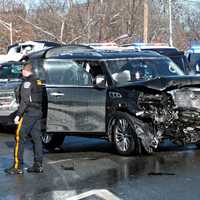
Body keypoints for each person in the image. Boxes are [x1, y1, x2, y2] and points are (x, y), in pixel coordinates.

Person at [5, 61, 44, 175]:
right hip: (38, 112)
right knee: (37, 139)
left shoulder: (27, 83)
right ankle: (38, 165)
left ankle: (17, 166)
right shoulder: (39, 81)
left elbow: (25, 101)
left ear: (26, 71)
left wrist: (18, 114)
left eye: (22, 70)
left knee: (19, 137)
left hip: (29, 113)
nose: (21, 72)